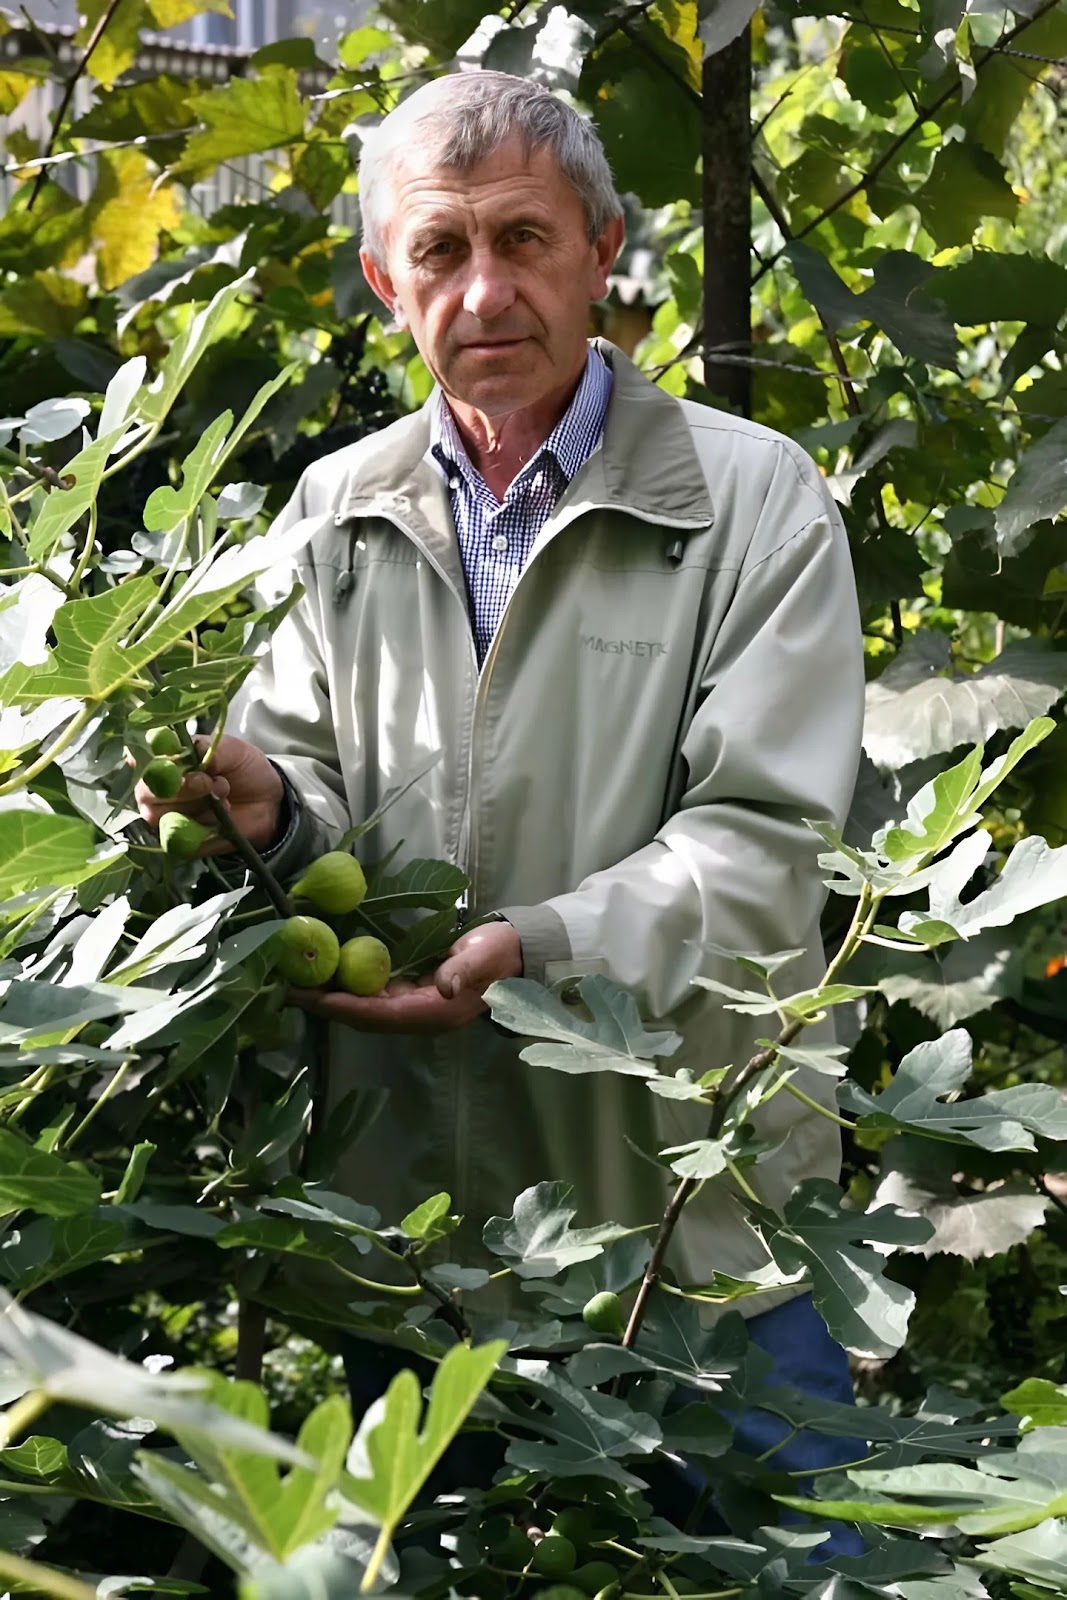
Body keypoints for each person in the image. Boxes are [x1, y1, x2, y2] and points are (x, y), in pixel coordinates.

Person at [136, 71, 865, 1529]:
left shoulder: (753, 502)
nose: (484, 292)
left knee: (797, 1570)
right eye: (441, 249)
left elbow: (766, 843)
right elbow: (315, 791)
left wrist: (539, 951)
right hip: (409, 1249)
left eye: (523, 239)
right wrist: (269, 815)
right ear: (384, 281)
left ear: (602, 251)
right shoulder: (333, 509)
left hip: (689, 1238)